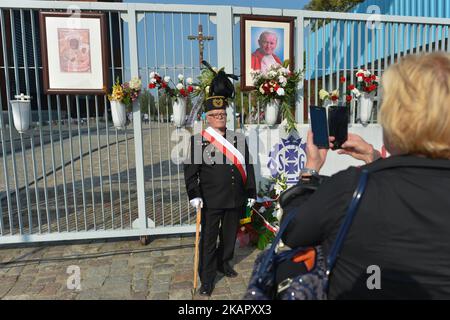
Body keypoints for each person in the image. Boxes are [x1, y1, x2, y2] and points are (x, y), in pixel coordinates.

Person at [281, 52, 450, 299]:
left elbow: (294, 230)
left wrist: (310, 169)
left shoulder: (353, 188)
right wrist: (374, 158)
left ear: (394, 115)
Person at [184, 96, 257, 296]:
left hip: (234, 197)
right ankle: (206, 279)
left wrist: (251, 191)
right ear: (207, 118)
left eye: (223, 114)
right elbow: (191, 173)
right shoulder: (198, 141)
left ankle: (223, 264)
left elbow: (248, 167)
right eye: (215, 115)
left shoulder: (238, 139)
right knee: (208, 240)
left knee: (229, 236)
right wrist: (194, 194)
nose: (220, 118)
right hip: (211, 199)